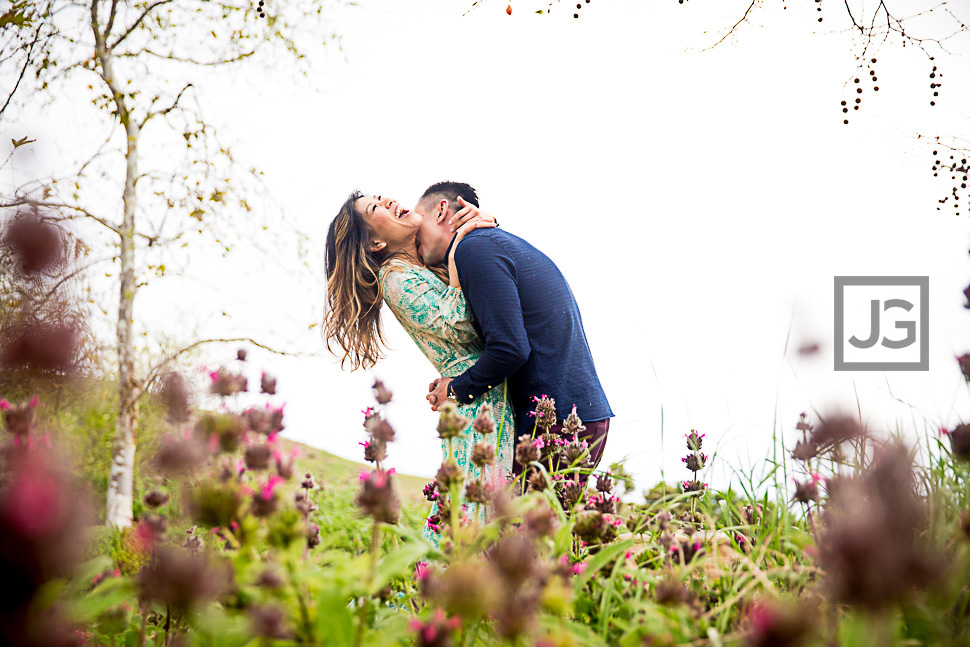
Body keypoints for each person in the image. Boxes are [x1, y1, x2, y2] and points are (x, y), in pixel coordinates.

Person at [323, 191, 515, 547]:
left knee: (477, 517)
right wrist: (461, 251)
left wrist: (479, 232)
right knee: (470, 520)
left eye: (382, 196)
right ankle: (417, 594)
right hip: (477, 406)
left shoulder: (424, 265)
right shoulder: (395, 279)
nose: (391, 201)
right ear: (376, 241)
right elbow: (462, 323)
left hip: (489, 393)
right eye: (376, 208)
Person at [416, 182, 613, 479]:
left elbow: (510, 348)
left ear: (442, 210)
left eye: (418, 221)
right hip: (577, 414)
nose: (414, 235)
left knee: (519, 525)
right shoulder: (492, 243)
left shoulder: (475, 249)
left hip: (553, 422)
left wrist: (456, 389)